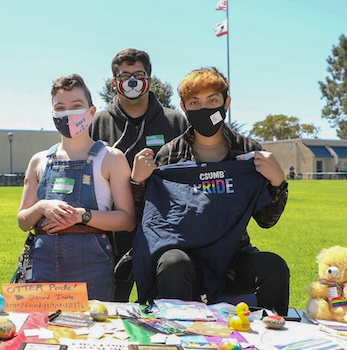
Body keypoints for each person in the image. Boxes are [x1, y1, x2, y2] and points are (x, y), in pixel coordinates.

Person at [130, 67, 289, 315]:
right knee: (173, 262)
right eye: (195, 102)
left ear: (226, 103)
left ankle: (275, 336)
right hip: (184, 255)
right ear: (184, 108)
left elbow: (267, 220)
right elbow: (152, 222)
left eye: (212, 100)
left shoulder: (249, 152)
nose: (204, 109)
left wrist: (277, 183)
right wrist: (138, 183)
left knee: (273, 266)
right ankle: (178, 339)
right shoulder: (169, 155)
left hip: (234, 256)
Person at [17, 74, 136, 302]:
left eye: (76, 106)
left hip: (92, 267)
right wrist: (42, 206)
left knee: (92, 333)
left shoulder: (111, 157)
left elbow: (127, 219)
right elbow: (23, 222)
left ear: (92, 112)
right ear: (53, 114)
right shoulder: (39, 161)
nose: (68, 113)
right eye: (60, 108)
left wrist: (83, 216)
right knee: (40, 333)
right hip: (41, 264)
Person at [89, 48, 189, 302]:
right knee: (109, 310)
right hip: (110, 231)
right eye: (124, 75)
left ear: (150, 80)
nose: (132, 81)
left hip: (164, 230)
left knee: (158, 309)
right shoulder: (98, 123)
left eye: (139, 74)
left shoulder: (176, 121)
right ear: (114, 82)